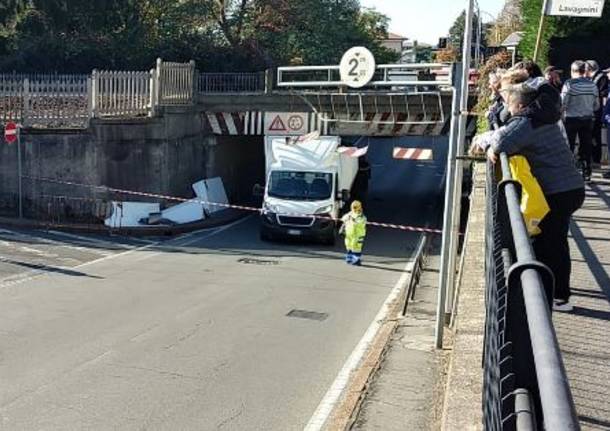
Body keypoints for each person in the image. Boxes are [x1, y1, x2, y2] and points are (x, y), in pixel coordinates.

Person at [475, 78, 585, 312]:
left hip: (558, 190)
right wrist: (491, 143)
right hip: (567, 187)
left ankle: (558, 296)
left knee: (550, 243)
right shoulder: (542, 117)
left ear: (520, 106)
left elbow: (503, 140)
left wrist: (490, 146)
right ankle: (553, 293)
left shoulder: (527, 121)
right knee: (550, 240)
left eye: (510, 106)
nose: (508, 111)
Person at [562, 60, 600, 182]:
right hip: (587, 119)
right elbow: (596, 105)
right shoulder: (592, 85)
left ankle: (567, 173)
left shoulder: (569, 84)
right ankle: (586, 173)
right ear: (584, 71)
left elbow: (563, 102)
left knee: (569, 146)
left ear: (573, 71)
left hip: (571, 119)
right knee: (586, 146)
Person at [586, 60, 609, 165]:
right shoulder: (591, 78)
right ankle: (590, 157)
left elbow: (603, 94)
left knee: (595, 135)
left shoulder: (601, 77)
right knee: (589, 135)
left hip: (597, 111)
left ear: (590, 68)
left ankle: (596, 158)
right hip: (590, 110)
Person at [340, 200, 367, 266]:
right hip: (352, 234)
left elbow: (360, 223)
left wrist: (352, 220)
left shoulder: (359, 216)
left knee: (354, 247)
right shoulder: (352, 214)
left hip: (355, 234)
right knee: (351, 246)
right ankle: (352, 259)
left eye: (355, 207)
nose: (354, 208)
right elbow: (343, 218)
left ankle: (353, 259)